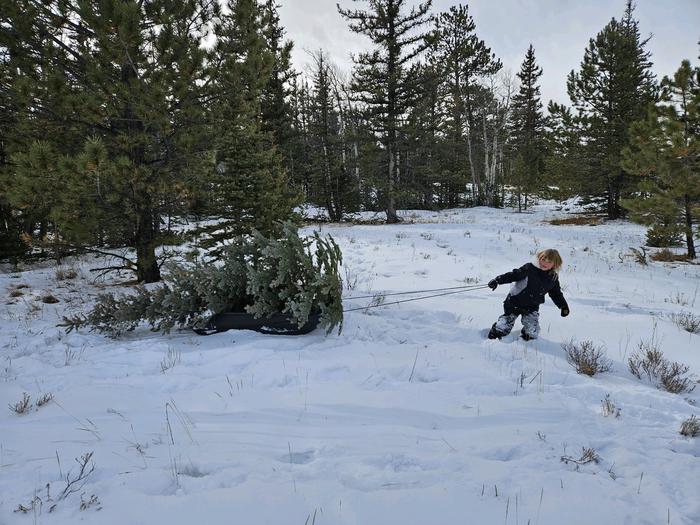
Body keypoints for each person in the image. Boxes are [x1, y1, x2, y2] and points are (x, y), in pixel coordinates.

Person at [487, 248, 569, 341]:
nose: (544, 263)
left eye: (549, 261)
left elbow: (556, 294)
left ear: (555, 264)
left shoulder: (553, 278)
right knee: (504, 325)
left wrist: (563, 306)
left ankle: (527, 341)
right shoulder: (529, 268)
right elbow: (513, 275)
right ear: (539, 258)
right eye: (543, 259)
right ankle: (496, 335)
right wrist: (497, 280)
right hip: (514, 301)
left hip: (532, 306)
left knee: (531, 331)